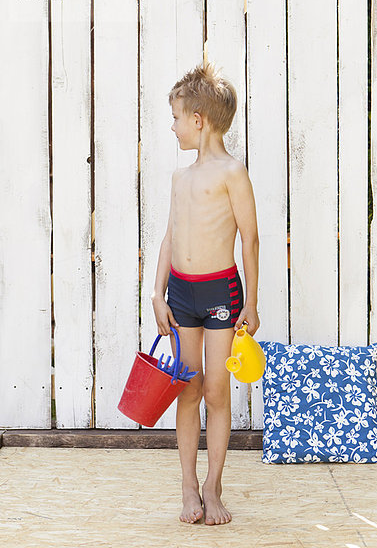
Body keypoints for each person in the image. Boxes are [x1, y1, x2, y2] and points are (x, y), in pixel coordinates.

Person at [151, 62, 260, 525]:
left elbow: (250, 239)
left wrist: (251, 302)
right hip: (181, 294)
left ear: (199, 119)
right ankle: (188, 486)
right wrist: (157, 294)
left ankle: (214, 486)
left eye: (176, 117)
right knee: (188, 389)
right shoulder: (180, 178)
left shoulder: (233, 173)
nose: (172, 126)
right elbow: (170, 235)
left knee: (216, 391)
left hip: (221, 292)